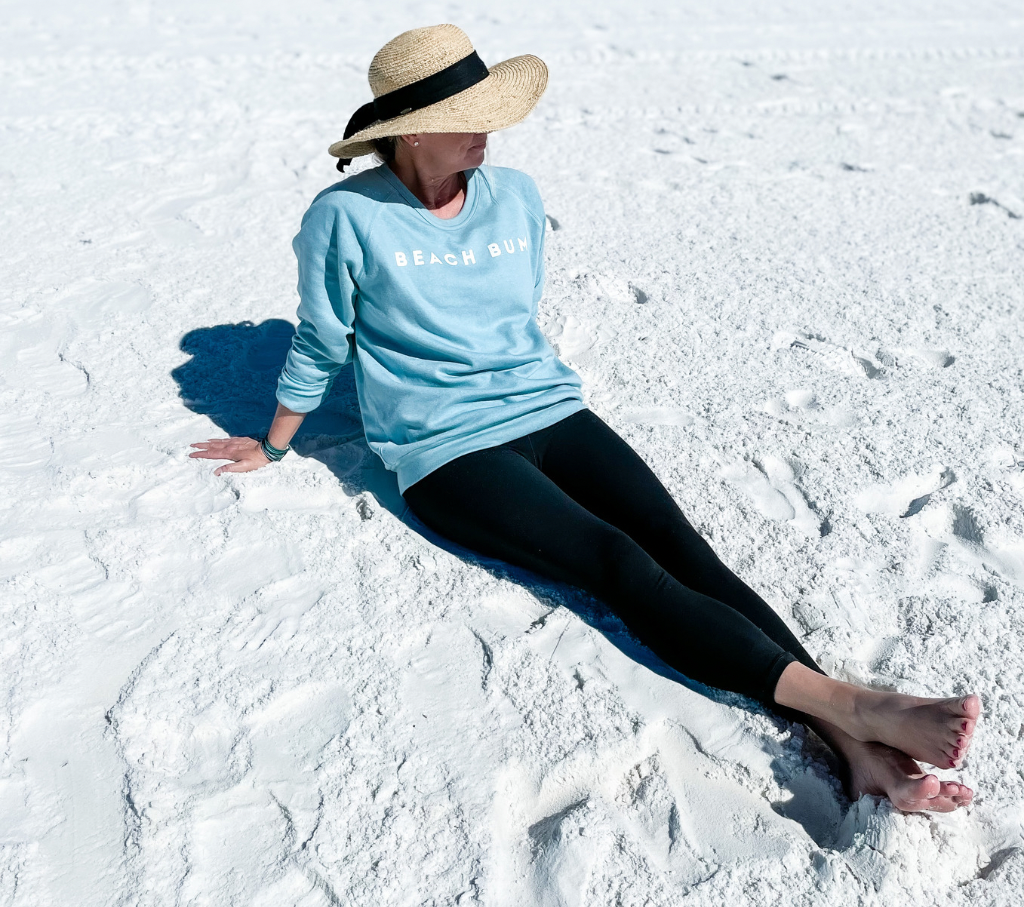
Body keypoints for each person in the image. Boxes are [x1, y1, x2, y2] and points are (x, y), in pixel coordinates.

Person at [190, 24, 981, 813]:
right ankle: (858, 710)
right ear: (413, 130)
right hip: (447, 449)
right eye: (469, 115)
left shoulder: (515, 196)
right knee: (615, 562)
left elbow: (512, 321)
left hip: (547, 407)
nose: (488, 130)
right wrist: (275, 443)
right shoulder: (345, 216)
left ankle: (850, 740)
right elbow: (323, 338)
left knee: (676, 541)